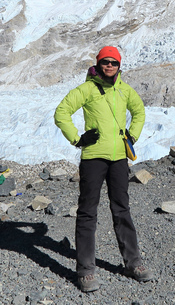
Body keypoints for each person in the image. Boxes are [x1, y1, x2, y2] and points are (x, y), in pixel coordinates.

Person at [53, 46, 155, 293]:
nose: (109, 65)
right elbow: (61, 112)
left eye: (114, 62)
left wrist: (133, 135)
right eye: (105, 62)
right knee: (88, 212)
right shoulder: (87, 89)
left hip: (119, 158)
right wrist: (77, 139)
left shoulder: (124, 90)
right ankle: (86, 271)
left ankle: (133, 264)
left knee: (122, 210)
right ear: (98, 64)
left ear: (119, 66)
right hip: (93, 158)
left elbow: (139, 112)